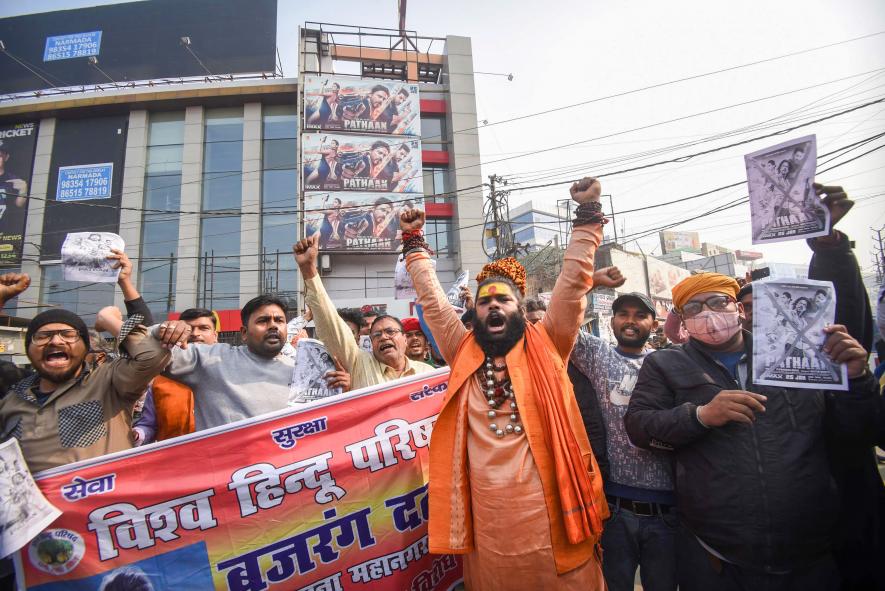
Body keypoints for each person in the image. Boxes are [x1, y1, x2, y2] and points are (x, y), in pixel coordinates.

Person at [400, 177, 609, 589]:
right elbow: (433, 303)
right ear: (474, 312)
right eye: (484, 301)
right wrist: (414, 242)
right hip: (490, 525)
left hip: (556, 513)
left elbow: (572, 284)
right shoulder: (463, 352)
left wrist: (587, 218)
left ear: (519, 308)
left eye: (503, 300)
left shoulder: (549, 342)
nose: (493, 305)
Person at [623, 272, 880, 591]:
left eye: (718, 302)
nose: (709, 313)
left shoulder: (796, 351)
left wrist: (856, 380)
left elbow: (857, 432)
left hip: (811, 555)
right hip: (715, 557)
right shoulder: (664, 364)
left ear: (739, 309)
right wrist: (701, 416)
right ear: (684, 322)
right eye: (694, 308)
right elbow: (639, 426)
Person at [0, 272, 176, 472]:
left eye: (68, 335)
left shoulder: (109, 382)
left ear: (85, 349)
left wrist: (108, 320)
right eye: (43, 336)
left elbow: (152, 356)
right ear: (28, 349)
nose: (56, 341)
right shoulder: (12, 395)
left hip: (107, 501)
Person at [570, 287, 676, 591]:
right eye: (623, 314)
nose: (631, 321)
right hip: (615, 509)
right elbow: (560, 323)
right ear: (612, 320)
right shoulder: (596, 355)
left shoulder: (668, 364)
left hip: (668, 511)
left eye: (640, 315)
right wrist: (584, 283)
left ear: (653, 324)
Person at [295, 235, 434, 391]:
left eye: (390, 331)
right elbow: (331, 325)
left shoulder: (427, 373)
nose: (383, 337)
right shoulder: (358, 363)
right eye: (376, 335)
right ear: (371, 343)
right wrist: (308, 269)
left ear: (404, 339)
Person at [156, 295, 297, 431]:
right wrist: (163, 330)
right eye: (263, 321)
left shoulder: (301, 372)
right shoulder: (212, 359)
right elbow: (145, 347)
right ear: (244, 333)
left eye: (279, 320)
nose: (273, 326)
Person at [133, 308, 220, 444]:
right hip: (174, 460)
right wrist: (138, 434)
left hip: (223, 459)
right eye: (189, 329)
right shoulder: (159, 380)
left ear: (215, 336)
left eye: (203, 328)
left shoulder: (228, 376)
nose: (195, 334)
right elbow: (149, 425)